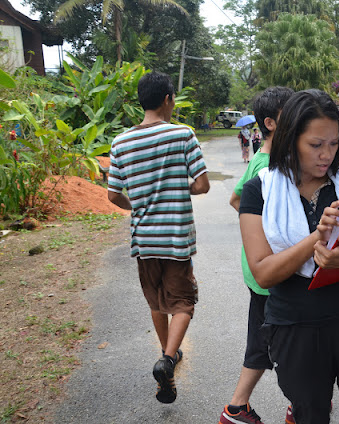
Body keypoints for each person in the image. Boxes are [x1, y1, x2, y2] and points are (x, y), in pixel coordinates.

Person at [239, 89, 339, 424]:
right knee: (309, 414)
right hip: (294, 326)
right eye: (316, 145)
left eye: (333, 143)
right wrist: (318, 236)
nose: (327, 154)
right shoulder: (260, 190)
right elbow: (263, 273)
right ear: (289, 139)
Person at [107, 71, 210, 404]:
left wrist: (137, 206)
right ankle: (167, 359)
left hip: (144, 239)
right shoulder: (182, 134)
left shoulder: (120, 142)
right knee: (183, 303)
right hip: (176, 238)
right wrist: (178, 188)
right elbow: (202, 184)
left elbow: (113, 195)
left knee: (157, 301)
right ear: (168, 99)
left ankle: (168, 355)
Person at [220, 86, 294, 424]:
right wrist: (264, 230)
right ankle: (302, 404)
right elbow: (238, 200)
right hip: (268, 272)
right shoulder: (265, 164)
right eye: (289, 111)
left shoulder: (276, 159)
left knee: (267, 341)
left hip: (266, 271)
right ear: (271, 123)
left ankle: (238, 409)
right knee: (284, 340)